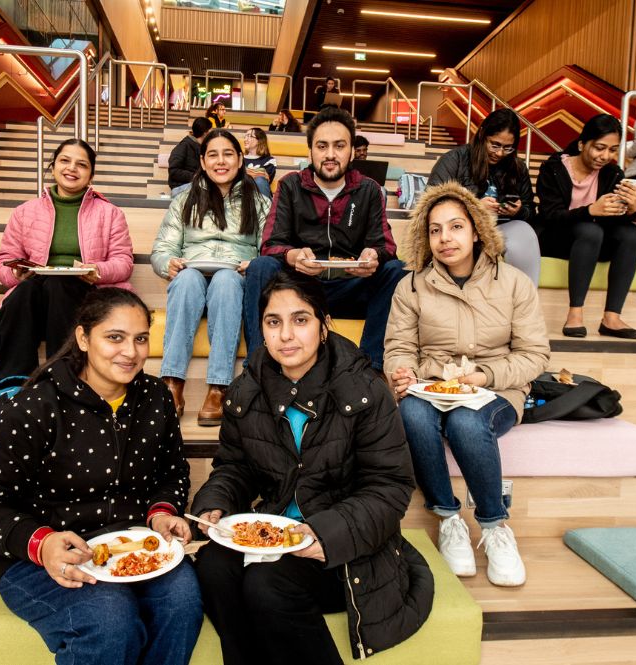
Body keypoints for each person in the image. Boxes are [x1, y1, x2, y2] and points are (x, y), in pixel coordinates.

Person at [192, 270, 433, 665]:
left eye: (300, 320)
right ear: (262, 330)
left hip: (346, 545)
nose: (286, 335)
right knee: (214, 570)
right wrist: (215, 501)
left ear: (323, 326)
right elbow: (235, 466)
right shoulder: (246, 390)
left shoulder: (366, 390)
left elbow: (390, 487)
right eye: (274, 322)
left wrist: (327, 533)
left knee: (265, 584)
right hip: (273, 535)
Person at [0, 288, 203, 665]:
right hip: (40, 556)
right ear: (82, 338)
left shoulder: (156, 397)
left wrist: (161, 512)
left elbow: (172, 472)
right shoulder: (33, 406)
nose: (131, 352)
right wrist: (41, 544)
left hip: (132, 547)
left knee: (183, 599)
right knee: (110, 619)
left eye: (141, 339)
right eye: (115, 337)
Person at [384, 182, 550, 587]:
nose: (446, 238)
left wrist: (484, 377)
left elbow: (535, 355)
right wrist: (403, 373)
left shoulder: (513, 283)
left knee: (466, 421)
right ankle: (448, 519)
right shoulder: (411, 285)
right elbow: (398, 347)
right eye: (436, 229)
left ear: (476, 231)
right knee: (410, 414)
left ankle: (494, 528)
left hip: (498, 388)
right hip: (432, 387)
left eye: (456, 227)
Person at [243, 105, 406, 373]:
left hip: (351, 286)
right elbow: (271, 244)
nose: (330, 155)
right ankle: (258, 368)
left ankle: (370, 368)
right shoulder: (290, 185)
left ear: (352, 150)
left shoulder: (369, 190)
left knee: (395, 271)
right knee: (261, 267)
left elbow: (386, 246)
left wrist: (373, 257)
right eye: (322, 146)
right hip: (302, 287)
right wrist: (293, 257)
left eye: (339, 146)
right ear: (310, 152)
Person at [152, 129, 270, 426]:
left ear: (240, 159)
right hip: (190, 281)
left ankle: (219, 386)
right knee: (189, 279)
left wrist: (252, 264)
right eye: (213, 155)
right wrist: (169, 264)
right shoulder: (184, 200)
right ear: (202, 162)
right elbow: (162, 248)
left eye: (228, 154)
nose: (221, 161)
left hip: (233, 282)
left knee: (226, 281)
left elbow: (270, 249)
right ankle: (172, 383)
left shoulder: (258, 201)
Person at [0, 139, 134, 382]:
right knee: (22, 294)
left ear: (91, 174)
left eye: (82, 164)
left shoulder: (110, 213)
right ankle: (11, 388)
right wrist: (17, 273)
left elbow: (123, 263)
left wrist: (96, 270)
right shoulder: (25, 212)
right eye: (65, 161)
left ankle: (63, 382)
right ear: (53, 165)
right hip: (35, 292)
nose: (72, 168)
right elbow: (5, 261)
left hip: (87, 290)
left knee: (59, 285)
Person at [536, 113, 636, 339]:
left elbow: (616, 220)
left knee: (631, 234)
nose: (605, 156)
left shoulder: (613, 173)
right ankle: (575, 313)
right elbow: (550, 216)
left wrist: (632, 207)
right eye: (599, 148)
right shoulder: (554, 168)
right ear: (582, 144)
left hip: (593, 242)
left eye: (613, 150)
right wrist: (590, 210)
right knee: (590, 229)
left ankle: (611, 318)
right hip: (556, 239)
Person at [428, 109, 541, 285]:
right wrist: (474, 207)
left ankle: (525, 300)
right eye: (494, 145)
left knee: (524, 232)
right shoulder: (455, 159)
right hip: (461, 228)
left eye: (507, 148)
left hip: (502, 227)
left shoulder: (517, 168)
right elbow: (433, 200)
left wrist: (518, 211)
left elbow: (530, 211)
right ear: (482, 134)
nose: (500, 153)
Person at [169, 117, 213, 197]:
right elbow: (173, 171)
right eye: (210, 132)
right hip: (181, 188)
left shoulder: (204, 148)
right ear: (205, 133)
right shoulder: (184, 146)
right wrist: (195, 176)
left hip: (197, 185)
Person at [243, 127, 278, 198]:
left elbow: (264, 179)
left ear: (259, 140)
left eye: (249, 136)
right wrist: (256, 173)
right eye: (245, 136)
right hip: (241, 197)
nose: (245, 139)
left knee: (260, 180)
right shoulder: (239, 159)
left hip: (260, 199)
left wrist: (245, 172)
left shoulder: (269, 161)